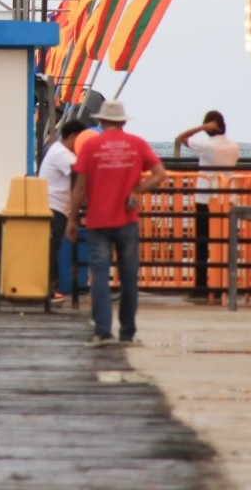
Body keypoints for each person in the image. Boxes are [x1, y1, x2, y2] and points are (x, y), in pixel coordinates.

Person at [66, 100, 165, 348]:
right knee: (129, 277)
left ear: (101, 121)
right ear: (122, 122)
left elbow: (80, 186)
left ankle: (102, 332)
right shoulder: (137, 144)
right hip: (127, 219)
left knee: (99, 275)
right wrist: (137, 190)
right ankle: (127, 334)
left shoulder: (91, 146)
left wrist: (72, 217)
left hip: (98, 220)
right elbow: (160, 174)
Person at [174, 110, 239, 295]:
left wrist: (202, 127)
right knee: (224, 244)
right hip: (228, 198)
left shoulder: (207, 146)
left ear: (211, 126)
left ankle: (201, 286)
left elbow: (181, 137)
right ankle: (223, 285)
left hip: (206, 199)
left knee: (202, 242)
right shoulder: (234, 145)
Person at [37, 119, 87, 300]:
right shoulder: (61, 154)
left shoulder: (60, 151)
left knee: (54, 248)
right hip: (53, 208)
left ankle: (52, 286)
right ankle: (48, 289)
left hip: (58, 207)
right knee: (51, 249)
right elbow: (80, 174)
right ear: (73, 137)